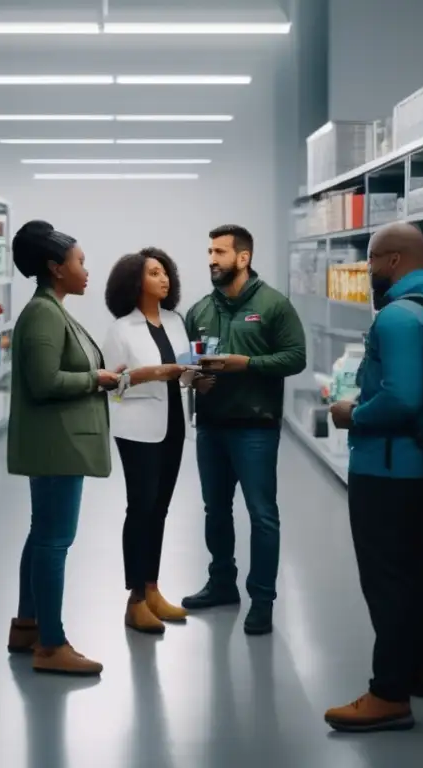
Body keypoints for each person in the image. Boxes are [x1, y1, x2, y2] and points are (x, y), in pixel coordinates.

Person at [323, 221, 423, 732]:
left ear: (395, 261)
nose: (368, 270)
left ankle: (388, 693)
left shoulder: (398, 317)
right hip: (411, 464)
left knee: (387, 579)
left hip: (384, 465)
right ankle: (416, 669)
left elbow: (401, 397)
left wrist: (351, 414)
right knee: (415, 571)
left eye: (372, 260)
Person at [5, 219, 126, 677]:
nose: (86, 270)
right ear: (56, 268)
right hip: (56, 445)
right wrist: (96, 378)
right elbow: (44, 382)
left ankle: (27, 626)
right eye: (79, 262)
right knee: (55, 542)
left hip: (58, 443)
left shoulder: (54, 309)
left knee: (42, 535)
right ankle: (51, 645)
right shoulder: (43, 314)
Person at [180, 224, 307, 636]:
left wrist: (246, 364)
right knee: (215, 510)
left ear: (243, 257)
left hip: (255, 427)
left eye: (219, 251)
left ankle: (263, 600)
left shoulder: (273, 306)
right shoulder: (200, 310)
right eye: (209, 251)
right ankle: (221, 584)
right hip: (211, 426)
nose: (211, 259)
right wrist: (191, 380)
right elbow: (189, 365)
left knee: (262, 515)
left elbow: (295, 357)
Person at [101, 247, 192, 635]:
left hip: (173, 424)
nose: (164, 279)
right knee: (140, 508)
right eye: (154, 273)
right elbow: (112, 387)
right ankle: (135, 599)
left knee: (160, 510)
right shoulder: (122, 329)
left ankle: (153, 589)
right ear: (135, 281)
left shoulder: (175, 321)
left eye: (165, 272)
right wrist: (152, 373)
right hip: (137, 430)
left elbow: (185, 370)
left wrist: (197, 376)